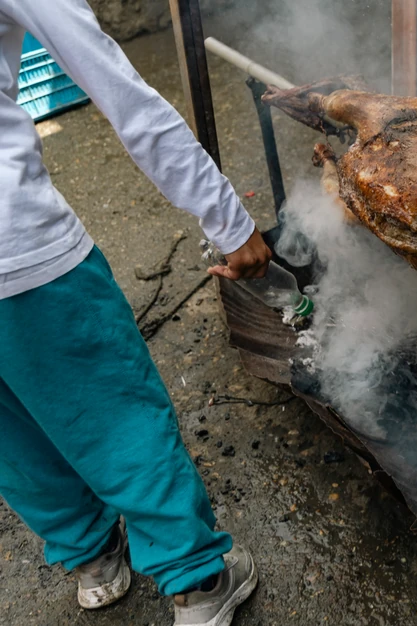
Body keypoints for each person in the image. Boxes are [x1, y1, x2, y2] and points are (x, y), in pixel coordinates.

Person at [0, 1, 269, 624]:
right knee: (114, 412)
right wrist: (228, 220)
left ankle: (92, 556)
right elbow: (122, 93)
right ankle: (198, 582)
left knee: (14, 429)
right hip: (19, 248)